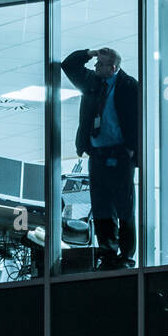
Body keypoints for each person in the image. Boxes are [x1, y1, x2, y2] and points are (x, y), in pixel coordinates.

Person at [61, 47, 139, 269]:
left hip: (121, 154)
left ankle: (126, 256)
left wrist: (132, 150)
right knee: (102, 206)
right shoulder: (92, 82)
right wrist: (90, 52)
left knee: (124, 208)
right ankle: (107, 253)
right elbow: (69, 65)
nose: (95, 67)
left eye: (99, 64)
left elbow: (138, 119)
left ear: (112, 68)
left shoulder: (129, 86)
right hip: (98, 154)